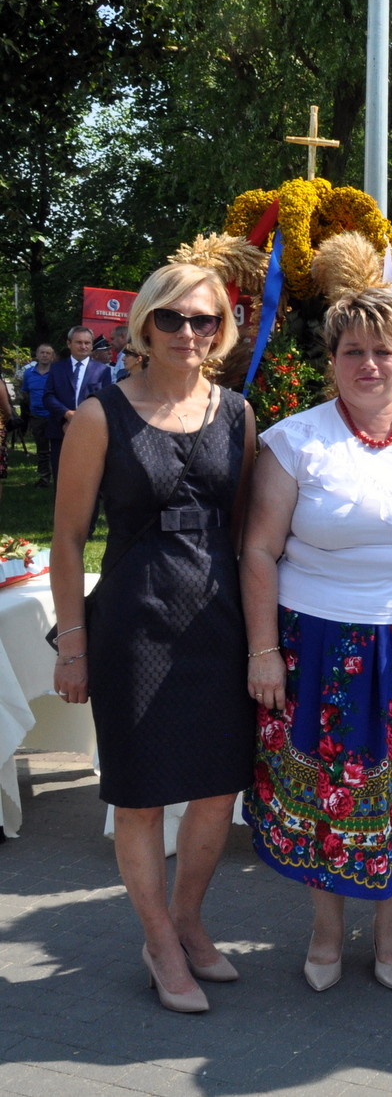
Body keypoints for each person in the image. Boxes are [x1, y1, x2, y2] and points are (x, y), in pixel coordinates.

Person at [242, 287, 392, 995]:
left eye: (384, 350)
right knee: (323, 789)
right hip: (318, 643)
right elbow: (258, 551)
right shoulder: (296, 440)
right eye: (354, 351)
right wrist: (263, 651)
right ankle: (323, 929)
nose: (369, 364)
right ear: (333, 359)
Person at [51, 263, 256, 1014]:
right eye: (172, 318)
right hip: (133, 622)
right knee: (139, 795)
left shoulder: (238, 413)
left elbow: (241, 527)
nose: (188, 332)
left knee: (215, 786)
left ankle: (189, 919)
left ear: (221, 330)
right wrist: (72, 644)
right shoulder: (102, 414)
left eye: (204, 320)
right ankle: (159, 940)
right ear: (143, 326)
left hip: (217, 620)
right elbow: (69, 540)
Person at [43, 326, 114, 483]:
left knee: (88, 481)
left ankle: (89, 509)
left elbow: (106, 402)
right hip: (60, 431)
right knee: (62, 479)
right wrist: (66, 414)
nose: (83, 346)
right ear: (69, 343)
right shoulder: (57, 368)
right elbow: (48, 396)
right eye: (79, 342)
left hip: (90, 433)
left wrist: (83, 418)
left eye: (87, 343)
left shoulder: (102, 371)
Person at [21, 345, 54, 485]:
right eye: (42, 352)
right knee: (42, 449)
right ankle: (44, 477)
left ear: (52, 356)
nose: (45, 355)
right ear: (37, 355)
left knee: (58, 448)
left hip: (54, 415)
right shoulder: (28, 373)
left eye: (48, 353)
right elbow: (26, 393)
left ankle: (60, 477)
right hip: (37, 416)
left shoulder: (56, 372)